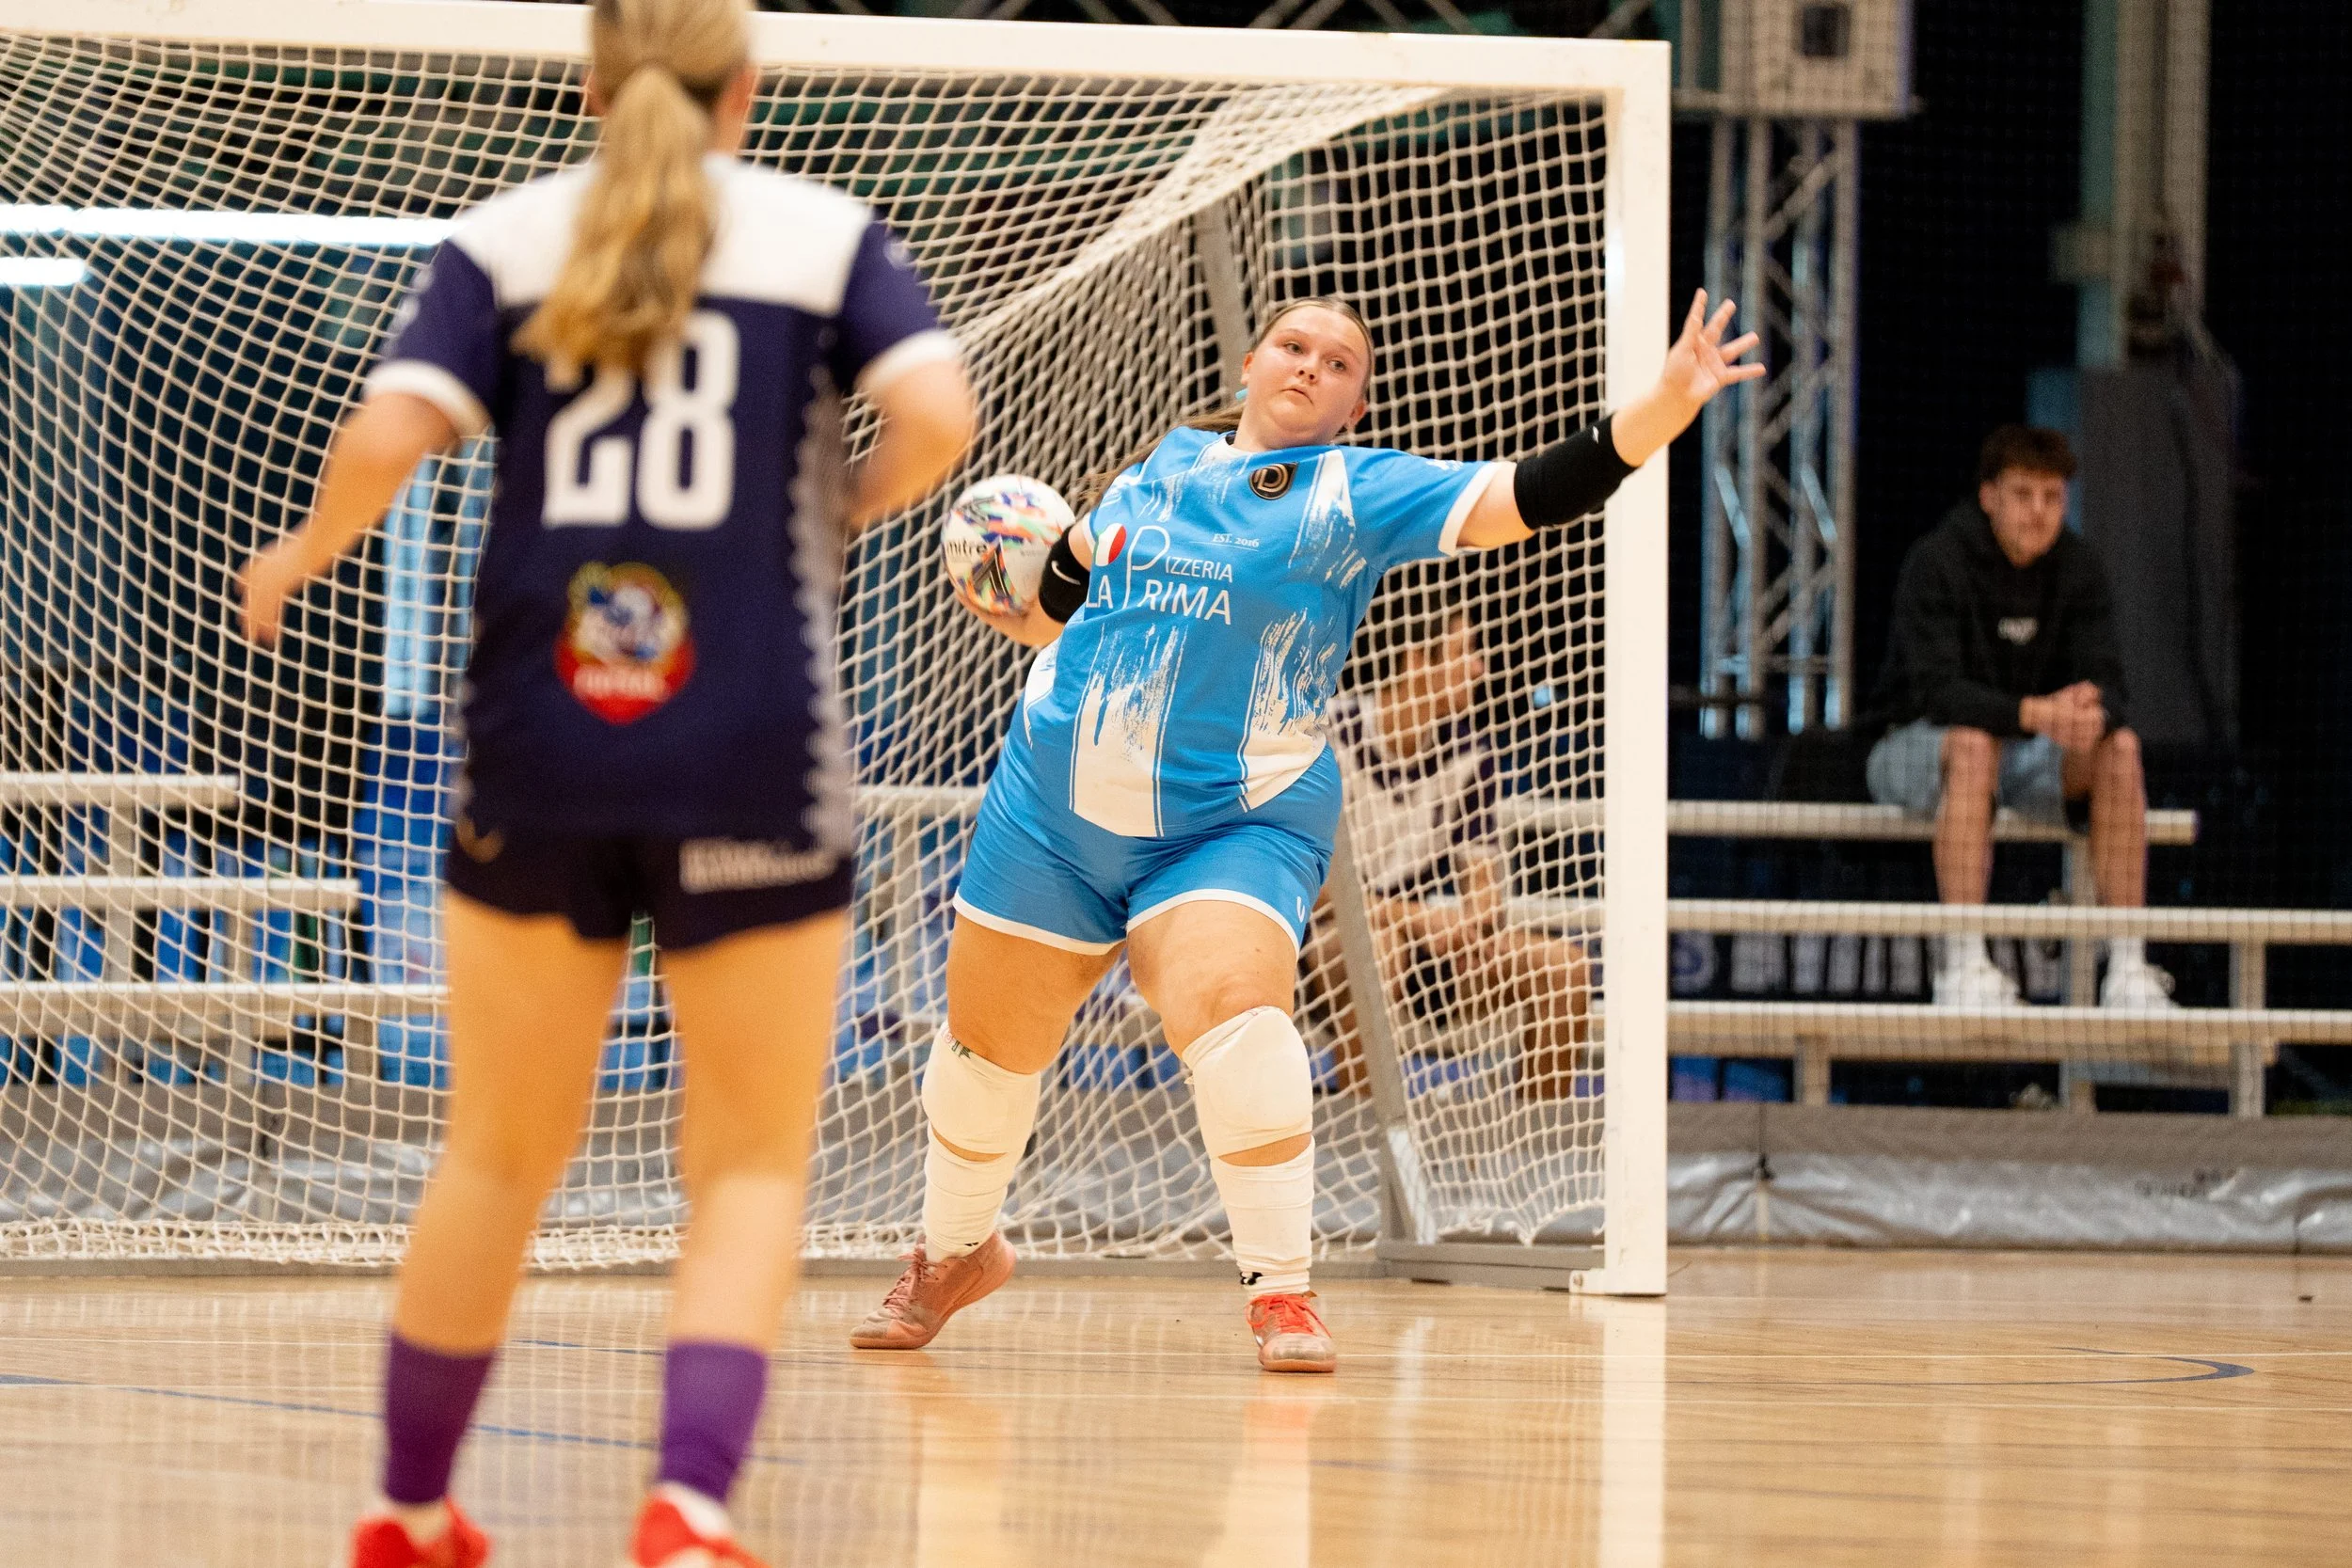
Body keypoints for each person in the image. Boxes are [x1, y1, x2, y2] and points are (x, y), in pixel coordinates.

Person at [239, 2, 976, 1563]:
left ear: (592, 85)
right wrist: (846, 501)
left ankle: (408, 1503)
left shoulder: (501, 238)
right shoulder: (824, 234)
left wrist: (303, 554)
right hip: (750, 742)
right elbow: (938, 417)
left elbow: (387, 431)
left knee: (498, 1148)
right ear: (745, 89)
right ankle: (688, 1504)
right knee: (753, 1157)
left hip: (540, 734)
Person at [848, 290, 1757, 1373]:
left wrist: (1662, 402)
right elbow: (1066, 598)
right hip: (1052, 810)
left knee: (1244, 1032)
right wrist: (1014, 598)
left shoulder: (1356, 490)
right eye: (1293, 345)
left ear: (1351, 402)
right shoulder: (1157, 469)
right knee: (978, 1063)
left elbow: (1529, 494)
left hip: (1231, 820)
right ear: (1249, 361)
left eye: (1338, 362)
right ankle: (952, 1253)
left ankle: (1280, 1287)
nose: (1311, 365)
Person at [1863, 425, 2173, 1009]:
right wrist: (2035, 712)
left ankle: (2129, 970)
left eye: (2052, 497)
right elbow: (1934, 692)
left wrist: (2090, 712)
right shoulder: (1937, 561)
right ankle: (1964, 967)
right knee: (1975, 743)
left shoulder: (2079, 567)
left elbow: (2112, 686)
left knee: (2122, 748)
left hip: (2027, 756)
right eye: (2023, 494)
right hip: (1913, 746)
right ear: (1989, 496)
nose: (2039, 511)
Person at [1307, 583, 1589, 1101]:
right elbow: (1316, 891)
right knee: (1374, 951)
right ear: (1417, 660)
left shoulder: (1470, 756)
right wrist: (1418, 920)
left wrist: (1472, 925)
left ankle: (1540, 1149)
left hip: (1427, 951)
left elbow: (1484, 890)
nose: (1480, 668)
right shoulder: (1326, 733)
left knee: (1563, 970)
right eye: (1465, 652)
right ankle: (1368, 1142)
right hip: (1321, 948)